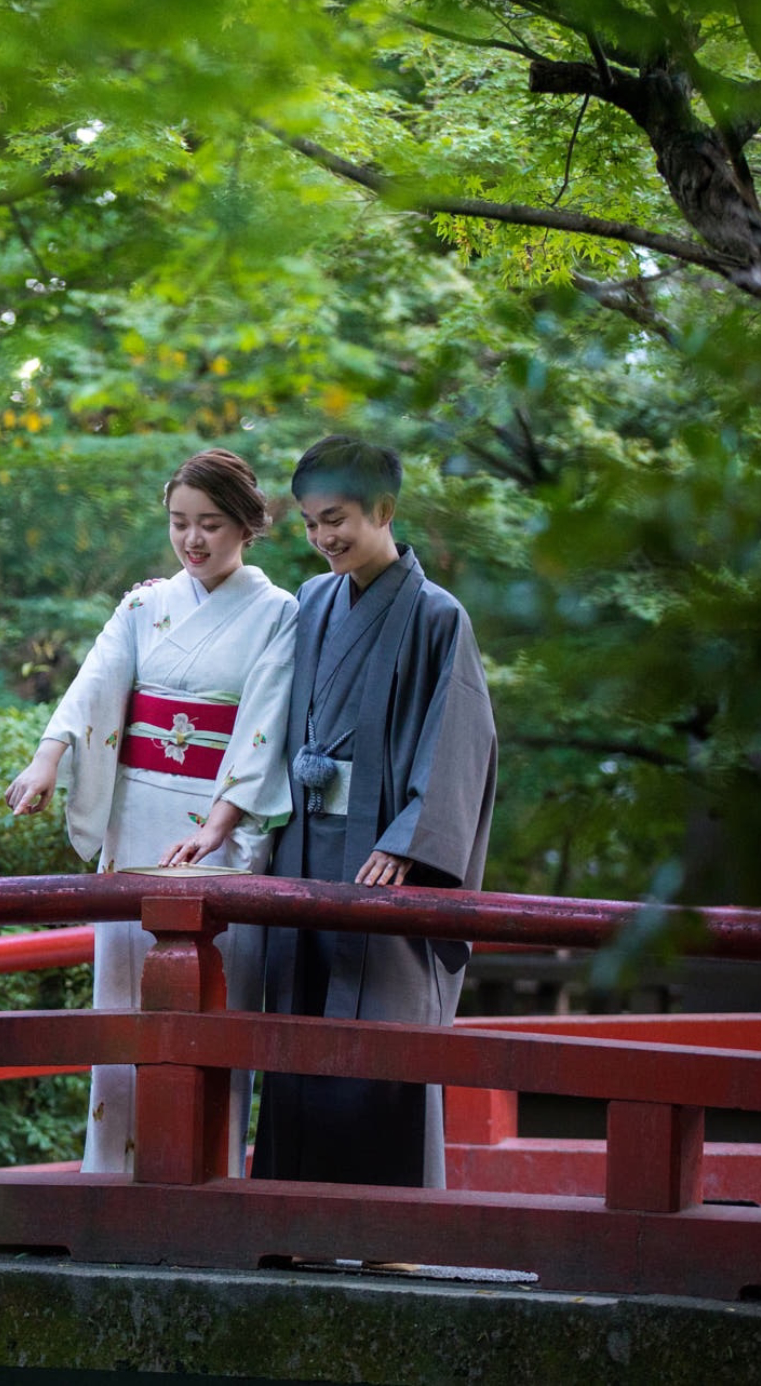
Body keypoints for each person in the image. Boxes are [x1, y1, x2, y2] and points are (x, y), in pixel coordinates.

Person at [4, 448, 296, 1175]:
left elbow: (266, 722)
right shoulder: (144, 604)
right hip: (134, 813)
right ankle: (111, 1173)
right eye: (179, 524)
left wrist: (221, 825)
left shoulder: (278, 614)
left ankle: (206, 1174)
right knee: (125, 1001)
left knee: (208, 1007)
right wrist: (49, 755)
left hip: (212, 825)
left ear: (247, 526)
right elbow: (95, 680)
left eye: (211, 525)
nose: (193, 541)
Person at [250, 434, 498, 1189]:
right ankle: (297, 1205)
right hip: (303, 843)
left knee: (385, 1029)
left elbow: (461, 737)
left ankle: (390, 1217)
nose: (324, 538)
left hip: (382, 856)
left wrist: (409, 839)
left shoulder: (435, 615)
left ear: (384, 511)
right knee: (299, 1024)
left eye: (338, 519)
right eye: (310, 523)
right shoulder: (313, 601)